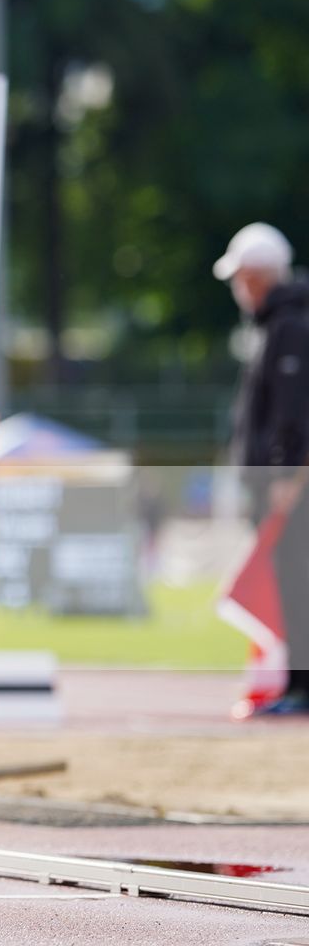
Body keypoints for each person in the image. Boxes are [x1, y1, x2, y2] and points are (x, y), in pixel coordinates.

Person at [215, 222, 309, 716]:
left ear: (259, 275)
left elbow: (297, 414)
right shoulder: (273, 327)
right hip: (276, 484)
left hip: (288, 489)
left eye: (242, 277)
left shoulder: (292, 327)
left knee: (298, 582)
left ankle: (300, 685)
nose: (238, 289)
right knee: (289, 582)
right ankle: (294, 681)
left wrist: (287, 477)